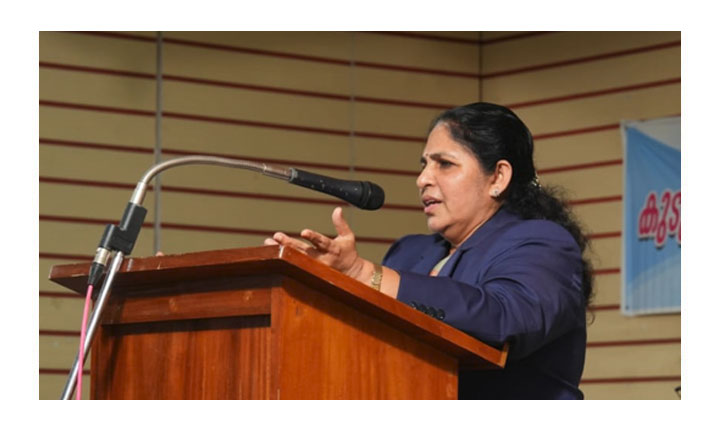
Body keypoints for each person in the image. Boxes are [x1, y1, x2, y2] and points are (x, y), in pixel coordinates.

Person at [265, 102, 594, 399]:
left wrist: (363, 274)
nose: (423, 179)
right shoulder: (409, 253)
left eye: (445, 164)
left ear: (498, 176)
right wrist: (312, 283)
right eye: (424, 165)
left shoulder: (543, 243)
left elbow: (503, 318)